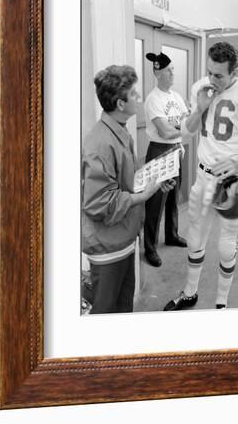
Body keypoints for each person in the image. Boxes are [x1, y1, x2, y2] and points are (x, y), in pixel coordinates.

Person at [163, 42, 238, 311]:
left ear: (234, 71)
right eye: (209, 72)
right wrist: (199, 108)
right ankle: (190, 292)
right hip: (203, 176)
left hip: (231, 182)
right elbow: (186, 134)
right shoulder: (201, 87)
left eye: (219, 75)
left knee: (226, 244)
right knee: (195, 238)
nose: (212, 79)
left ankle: (221, 302)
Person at [82, 64, 175, 314]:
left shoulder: (120, 132)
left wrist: (154, 181)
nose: (140, 98)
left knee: (123, 310)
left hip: (123, 239)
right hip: (107, 247)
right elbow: (98, 203)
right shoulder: (100, 144)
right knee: (106, 314)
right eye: (134, 94)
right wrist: (142, 196)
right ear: (121, 104)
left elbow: (124, 180)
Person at [143, 52, 189, 268]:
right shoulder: (153, 99)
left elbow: (185, 122)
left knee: (173, 198)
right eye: (168, 70)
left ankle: (172, 235)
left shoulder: (176, 97)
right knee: (155, 203)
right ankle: (150, 247)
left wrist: (179, 134)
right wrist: (182, 129)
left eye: (172, 70)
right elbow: (164, 131)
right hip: (159, 152)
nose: (172, 73)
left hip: (175, 151)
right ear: (157, 72)